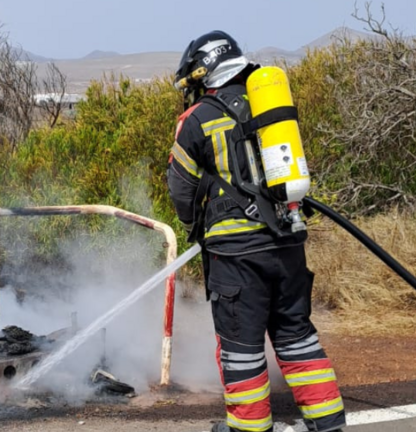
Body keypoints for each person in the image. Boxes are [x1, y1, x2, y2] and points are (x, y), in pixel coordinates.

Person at [167, 30, 346, 432]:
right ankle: (328, 423)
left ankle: (249, 430)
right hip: (288, 244)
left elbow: (180, 189)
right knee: (297, 337)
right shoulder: (269, 107)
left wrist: (194, 222)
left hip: (236, 258)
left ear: (203, 74)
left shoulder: (197, 121)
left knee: (241, 351)